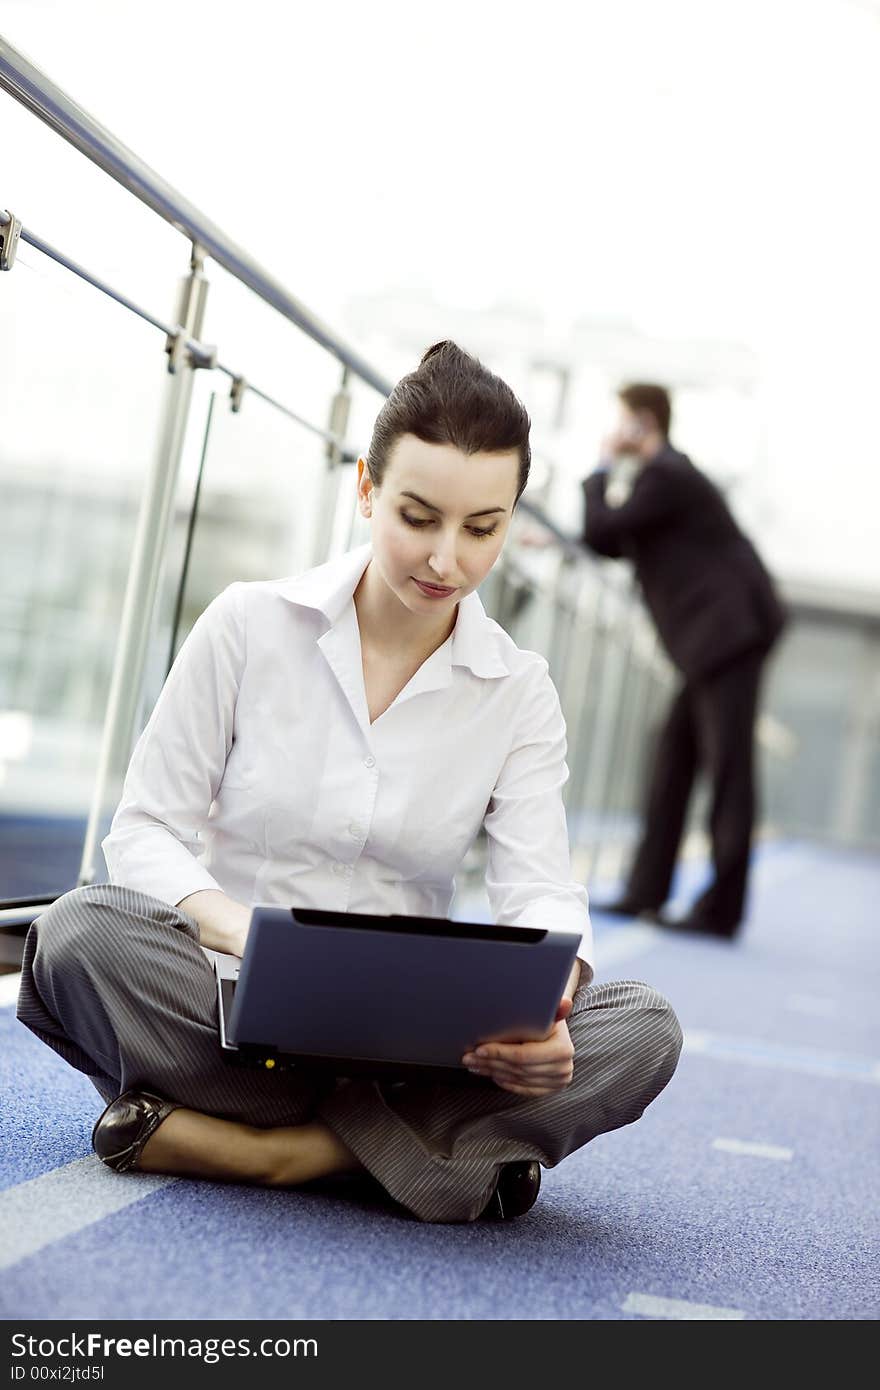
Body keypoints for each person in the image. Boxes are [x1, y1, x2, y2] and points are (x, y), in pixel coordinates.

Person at [17, 343, 682, 1225]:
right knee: (75, 934)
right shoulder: (250, 625)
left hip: (416, 1045)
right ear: (367, 489)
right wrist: (241, 932)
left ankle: (272, 1153)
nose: (446, 560)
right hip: (224, 1007)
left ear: (509, 521)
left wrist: (549, 1019)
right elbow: (142, 830)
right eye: (418, 516)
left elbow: (541, 893)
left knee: (641, 1028)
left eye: (482, 529)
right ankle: (431, 1157)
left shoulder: (518, 691)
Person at [582, 383, 787, 938]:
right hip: (710, 643)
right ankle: (646, 890)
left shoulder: (667, 476)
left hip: (728, 635)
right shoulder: (665, 484)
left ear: (644, 424)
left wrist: (602, 467)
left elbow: (603, 528)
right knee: (673, 757)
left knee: (727, 771)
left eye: (623, 421)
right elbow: (610, 542)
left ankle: (721, 910)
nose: (616, 432)